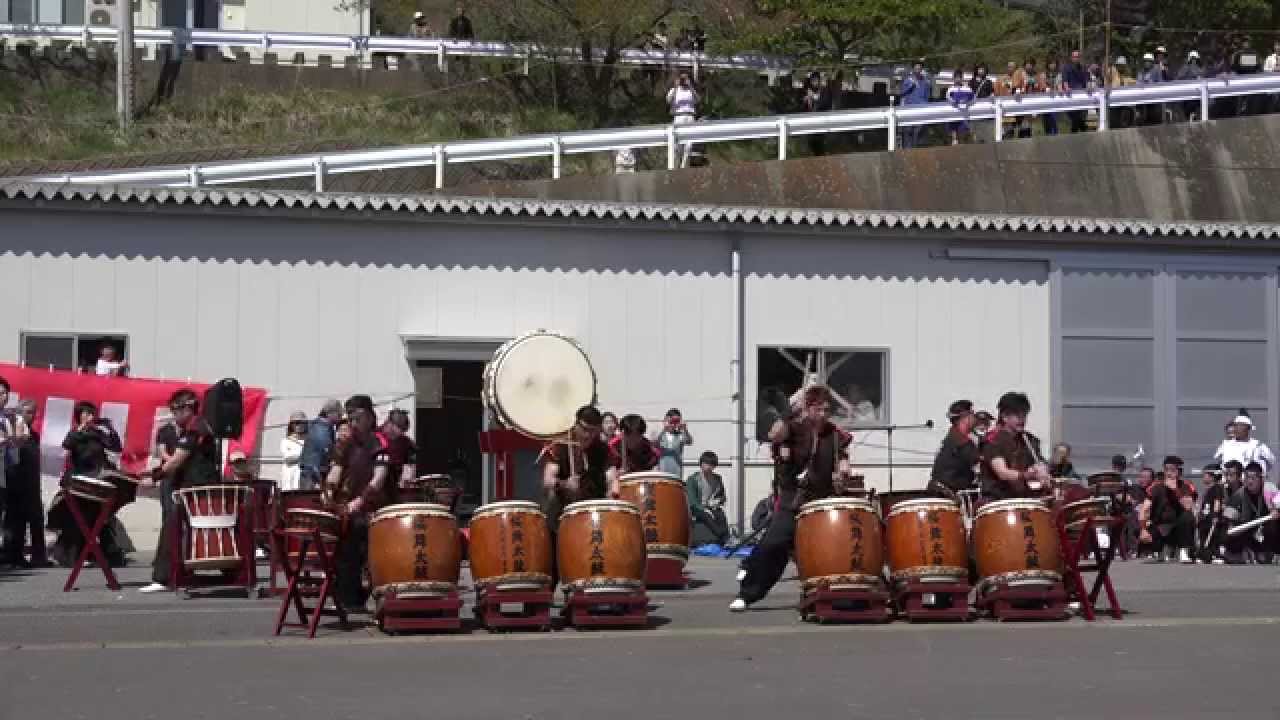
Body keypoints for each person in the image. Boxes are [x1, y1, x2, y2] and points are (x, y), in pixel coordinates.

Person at [730, 385, 852, 612]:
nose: (823, 414)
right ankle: (747, 593)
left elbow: (842, 457)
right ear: (808, 408)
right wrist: (789, 411)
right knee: (774, 544)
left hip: (820, 501)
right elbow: (774, 434)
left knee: (830, 548)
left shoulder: (835, 435)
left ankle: (833, 594)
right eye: (818, 409)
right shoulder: (794, 428)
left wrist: (843, 471)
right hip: (793, 498)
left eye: (826, 410)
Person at [137, 388, 221, 592]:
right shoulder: (194, 428)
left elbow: (175, 462)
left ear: (188, 408)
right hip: (193, 488)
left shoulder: (196, 429)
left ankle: (162, 578)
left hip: (198, 490)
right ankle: (181, 571)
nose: (174, 415)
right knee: (176, 526)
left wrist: (154, 477)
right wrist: (151, 474)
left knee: (171, 524)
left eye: (176, 410)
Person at [324, 395, 391, 610]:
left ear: (370, 418)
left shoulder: (379, 442)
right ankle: (348, 599)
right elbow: (335, 471)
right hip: (347, 508)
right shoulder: (344, 444)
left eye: (358, 418)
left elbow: (379, 477)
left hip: (372, 507)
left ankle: (373, 595)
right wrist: (328, 491)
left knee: (368, 553)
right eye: (350, 419)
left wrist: (361, 500)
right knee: (345, 552)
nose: (353, 424)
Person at [48, 401, 123, 568]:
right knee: (77, 518)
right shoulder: (75, 433)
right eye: (86, 413)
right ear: (79, 416)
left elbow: (116, 447)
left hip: (97, 479)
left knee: (98, 518)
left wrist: (109, 429)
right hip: (80, 480)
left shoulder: (97, 434)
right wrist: (81, 428)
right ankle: (69, 555)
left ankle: (104, 554)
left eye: (91, 413)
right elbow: (66, 446)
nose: (90, 416)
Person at [540, 405, 609, 582]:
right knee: (553, 561)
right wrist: (564, 484)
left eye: (593, 431)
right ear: (576, 424)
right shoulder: (560, 445)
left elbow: (611, 475)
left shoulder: (601, 449)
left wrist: (615, 485)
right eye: (585, 429)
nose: (588, 435)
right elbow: (547, 480)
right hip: (563, 510)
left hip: (592, 512)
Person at [979, 392, 1050, 501]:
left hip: (1023, 499)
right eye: (1017, 415)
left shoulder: (1029, 440)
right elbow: (1002, 473)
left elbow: (1040, 462)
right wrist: (1026, 475)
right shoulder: (992, 440)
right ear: (1004, 416)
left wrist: (1042, 470)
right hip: (997, 501)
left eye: (1024, 415)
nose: (1022, 419)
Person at [3, 400, 46, 567]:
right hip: (16, 483)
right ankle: (13, 556)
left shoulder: (34, 435)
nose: (31, 416)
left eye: (33, 412)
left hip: (32, 483)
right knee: (16, 522)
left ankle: (38, 557)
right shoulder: (13, 433)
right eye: (27, 412)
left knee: (36, 520)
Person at [1140, 456, 1196, 563]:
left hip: (1179, 526)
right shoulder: (1156, 487)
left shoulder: (1186, 486)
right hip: (1160, 525)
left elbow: (1188, 507)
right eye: (1167, 470)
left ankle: (1184, 551)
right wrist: (1143, 529)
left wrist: (1175, 490)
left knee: (1188, 517)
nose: (1170, 473)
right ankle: (1161, 550)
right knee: (1147, 526)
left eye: (1173, 470)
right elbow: (1145, 509)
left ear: (1180, 472)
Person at [1224, 462, 1277, 564]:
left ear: (1261, 478)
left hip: (1268, 526)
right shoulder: (1240, 494)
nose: (1250, 481)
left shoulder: (1269, 488)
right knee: (1229, 536)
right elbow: (1229, 518)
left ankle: (1272, 552)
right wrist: (1231, 527)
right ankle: (1247, 551)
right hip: (1250, 529)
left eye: (1254, 478)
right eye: (1247, 477)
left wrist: (1276, 510)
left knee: (1273, 527)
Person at [928, 399, 980, 498]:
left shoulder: (952, 436)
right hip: (947, 495)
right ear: (965, 417)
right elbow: (980, 467)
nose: (975, 418)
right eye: (973, 414)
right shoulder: (962, 441)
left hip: (938, 490)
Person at [299, 399, 343, 490]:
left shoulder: (319, 426)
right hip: (313, 476)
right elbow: (325, 450)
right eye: (339, 414)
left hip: (311, 474)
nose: (341, 417)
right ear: (330, 413)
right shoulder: (321, 428)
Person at [1213, 409, 1275, 475]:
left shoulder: (1257, 445)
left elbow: (1271, 461)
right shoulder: (1226, 444)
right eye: (1236, 426)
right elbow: (1218, 461)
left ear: (1248, 428)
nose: (1237, 429)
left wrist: (1261, 472)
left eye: (1241, 426)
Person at [687, 451, 729, 545]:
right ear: (701, 464)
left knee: (720, 514)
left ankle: (726, 539)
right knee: (706, 515)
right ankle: (721, 536)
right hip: (697, 508)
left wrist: (718, 501)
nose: (709, 467)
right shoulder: (693, 479)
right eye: (706, 464)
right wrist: (704, 509)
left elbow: (722, 496)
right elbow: (692, 501)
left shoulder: (717, 478)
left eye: (712, 465)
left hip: (711, 506)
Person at [379, 408, 417, 505]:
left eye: (403, 431)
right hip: (373, 487)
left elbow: (409, 465)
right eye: (399, 429)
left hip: (393, 489)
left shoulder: (406, 443)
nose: (400, 433)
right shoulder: (374, 437)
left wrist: (407, 478)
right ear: (389, 423)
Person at [1196, 463, 1227, 564]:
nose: (1203, 477)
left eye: (1205, 474)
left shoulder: (1217, 488)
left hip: (1211, 519)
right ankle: (1204, 555)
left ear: (1212, 476)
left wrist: (1215, 515)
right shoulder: (1207, 490)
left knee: (1213, 537)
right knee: (1203, 537)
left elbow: (1217, 502)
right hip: (1204, 519)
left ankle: (1216, 555)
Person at [666, 73, 699, 168]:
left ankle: (684, 166)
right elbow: (668, 100)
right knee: (677, 144)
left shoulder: (690, 91)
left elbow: (697, 100)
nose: (683, 80)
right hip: (678, 117)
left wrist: (691, 87)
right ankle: (675, 165)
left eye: (685, 78)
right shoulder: (674, 90)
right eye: (682, 78)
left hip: (690, 117)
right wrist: (676, 87)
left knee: (689, 144)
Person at [899, 59, 932, 149]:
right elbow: (902, 94)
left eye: (920, 67)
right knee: (908, 131)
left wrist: (926, 109)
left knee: (918, 133)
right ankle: (907, 153)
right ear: (913, 68)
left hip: (921, 112)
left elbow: (927, 97)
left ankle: (916, 153)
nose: (918, 68)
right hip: (909, 111)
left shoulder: (926, 82)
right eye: (916, 66)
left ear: (921, 69)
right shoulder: (907, 81)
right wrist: (912, 85)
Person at [653, 408, 693, 477]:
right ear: (666, 420)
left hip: (676, 471)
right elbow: (654, 442)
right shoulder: (660, 434)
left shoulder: (680, 435)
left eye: (676, 421)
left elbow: (689, 441)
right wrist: (664, 428)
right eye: (672, 421)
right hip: (662, 471)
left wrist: (685, 429)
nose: (673, 424)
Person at [945, 67, 975, 145]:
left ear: (962, 78)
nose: (958, 79)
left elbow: (973, 98)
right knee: (954, 139)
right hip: (953, 115)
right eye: (956, 77)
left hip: (964, 115)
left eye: (959, 77)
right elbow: (949, 99)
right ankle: (954, 141)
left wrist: (966, 100)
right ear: (954, 78)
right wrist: (956, 101)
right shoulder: (950, 89)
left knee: (963, 135)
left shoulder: (967, 88)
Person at [279, 411, 308, 492]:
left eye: (302, 423)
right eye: (296, 423)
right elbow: (288, 459)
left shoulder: (310, 441)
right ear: (292, 425)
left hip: (304, 479)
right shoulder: (286, 441)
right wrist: (305, 456)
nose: (299, 425)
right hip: (290, 479)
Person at [1062, 50, 1090, 133]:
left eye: (1077, 57)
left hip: (1081, 97)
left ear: (1080, 58)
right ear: (1071, 58)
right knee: (1076, 119)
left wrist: (1088, 88)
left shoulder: (1083, 68)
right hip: (1070, 97)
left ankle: (1078, 134)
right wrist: (1067, 88)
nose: (1076, 58)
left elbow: (1087, 81)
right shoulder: (1066, 68)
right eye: (1074, 57)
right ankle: (1084, 129)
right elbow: (1065, 80)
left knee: (1078, 119)